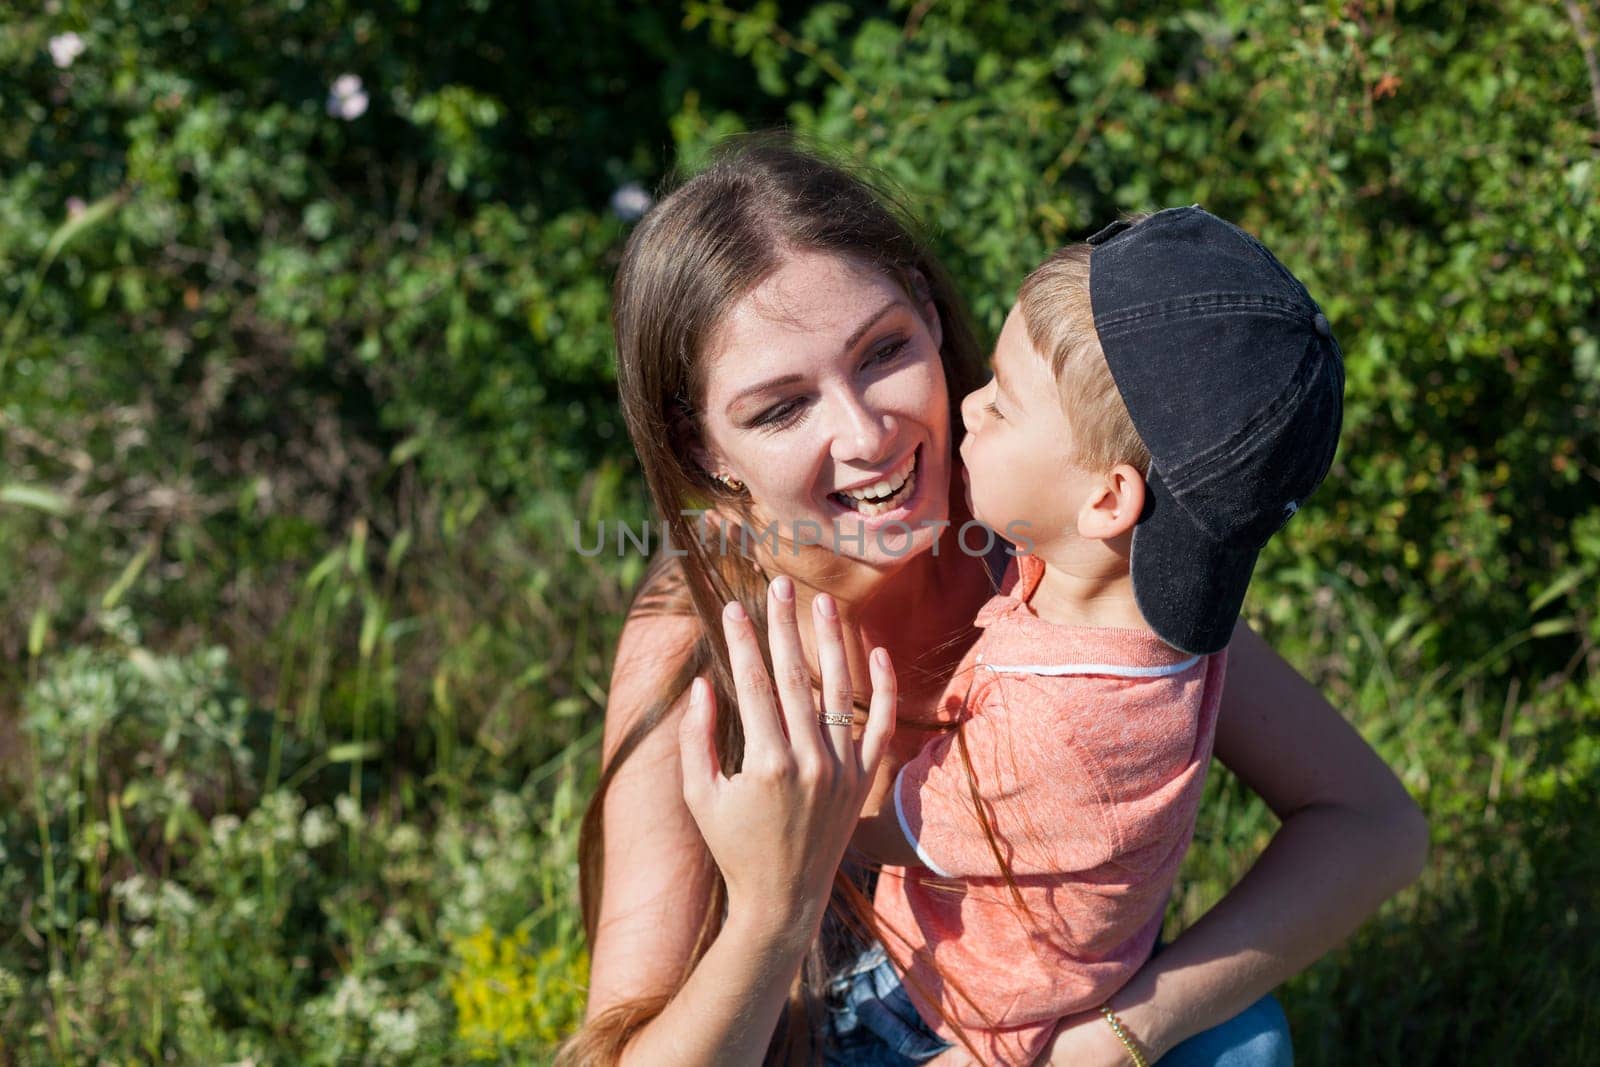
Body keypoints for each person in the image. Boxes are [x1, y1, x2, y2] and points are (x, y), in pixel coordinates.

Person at [556, 139, 1428, 1067]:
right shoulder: (703, 641)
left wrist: (1113, 1036)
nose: (865, 435)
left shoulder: (1061, 536)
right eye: (780, 409)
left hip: (1035, 1033)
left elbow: (1372, 824)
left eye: (883, 350)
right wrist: (775, 907)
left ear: (931, 314)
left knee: (1236, 1043)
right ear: (702, 450)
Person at [839, 209, 1346, 1065]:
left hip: (941, 1012)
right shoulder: (1155, 622)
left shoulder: (1053, 728)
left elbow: (886, 829)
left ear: (1108, 501)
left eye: (1002, 401)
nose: (967, 403)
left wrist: (820, 756)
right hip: (1067, 974)